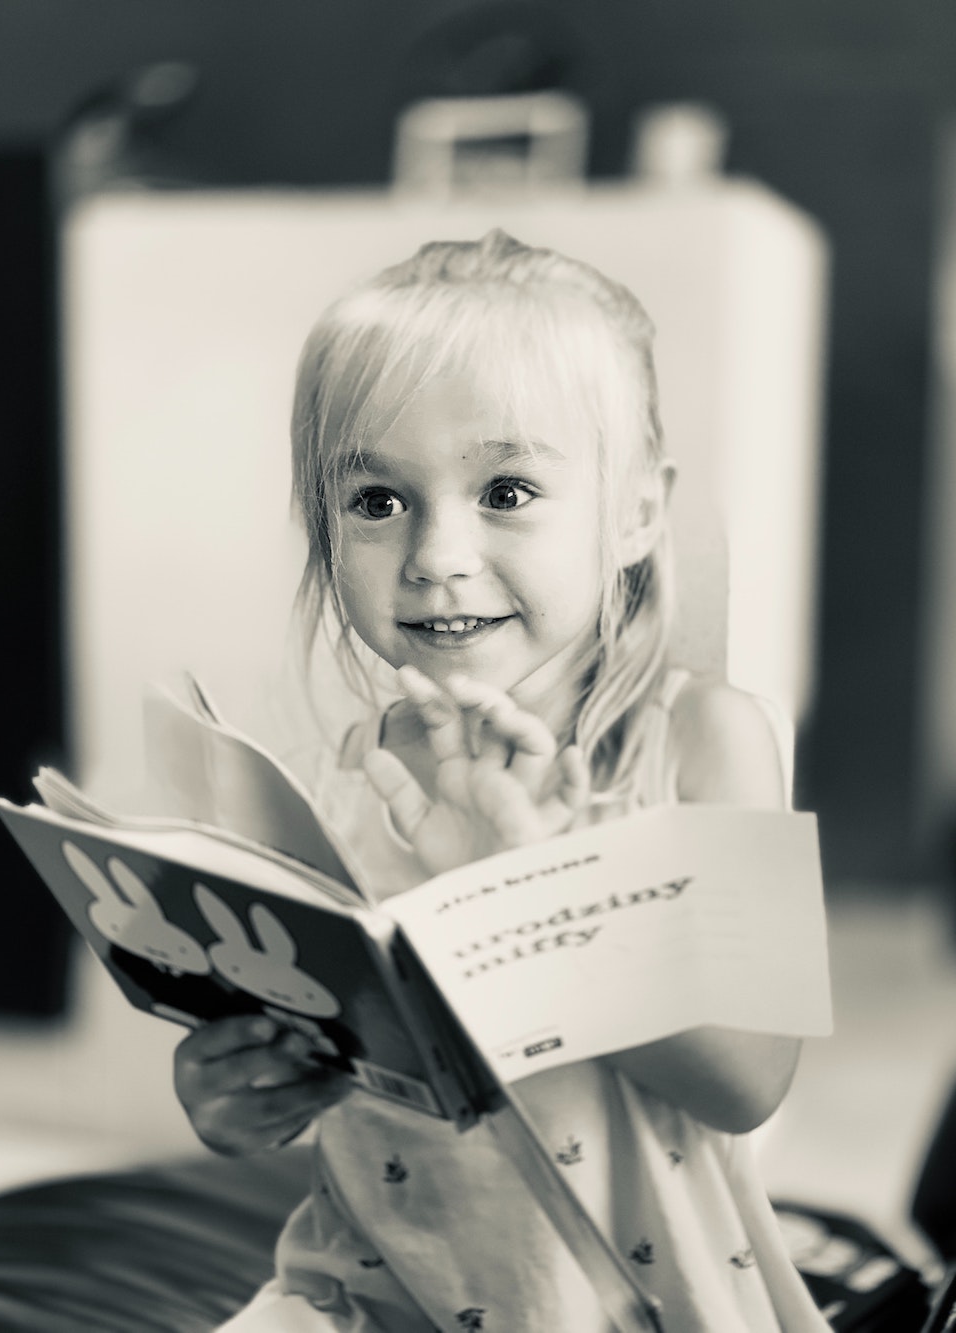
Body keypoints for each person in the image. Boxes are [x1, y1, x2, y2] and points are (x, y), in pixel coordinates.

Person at [174, 230, 830, 1331]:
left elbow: (752, 1079)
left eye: (507, 489)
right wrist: (232, 1097)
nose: (435, 553)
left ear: (634, 513)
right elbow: (326, 1067)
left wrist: (547, 890)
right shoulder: (352, 776)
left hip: (631, 1304)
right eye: (377, 500)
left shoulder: (706, 739)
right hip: (365, 1291)